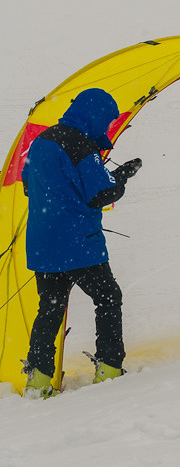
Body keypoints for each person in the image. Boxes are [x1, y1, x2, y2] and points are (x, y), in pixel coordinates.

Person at [20, 88, 142, 398]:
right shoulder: (82, 145)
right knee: (109, 299)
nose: (107, 127)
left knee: (49, 311)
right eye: (107, 120)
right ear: (95, 114)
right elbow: (101, 194)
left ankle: (38, 381)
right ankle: (109, 369)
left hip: (43, 245)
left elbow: (27, 184)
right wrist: (121, 177)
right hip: (78, 246)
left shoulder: (42, 141)